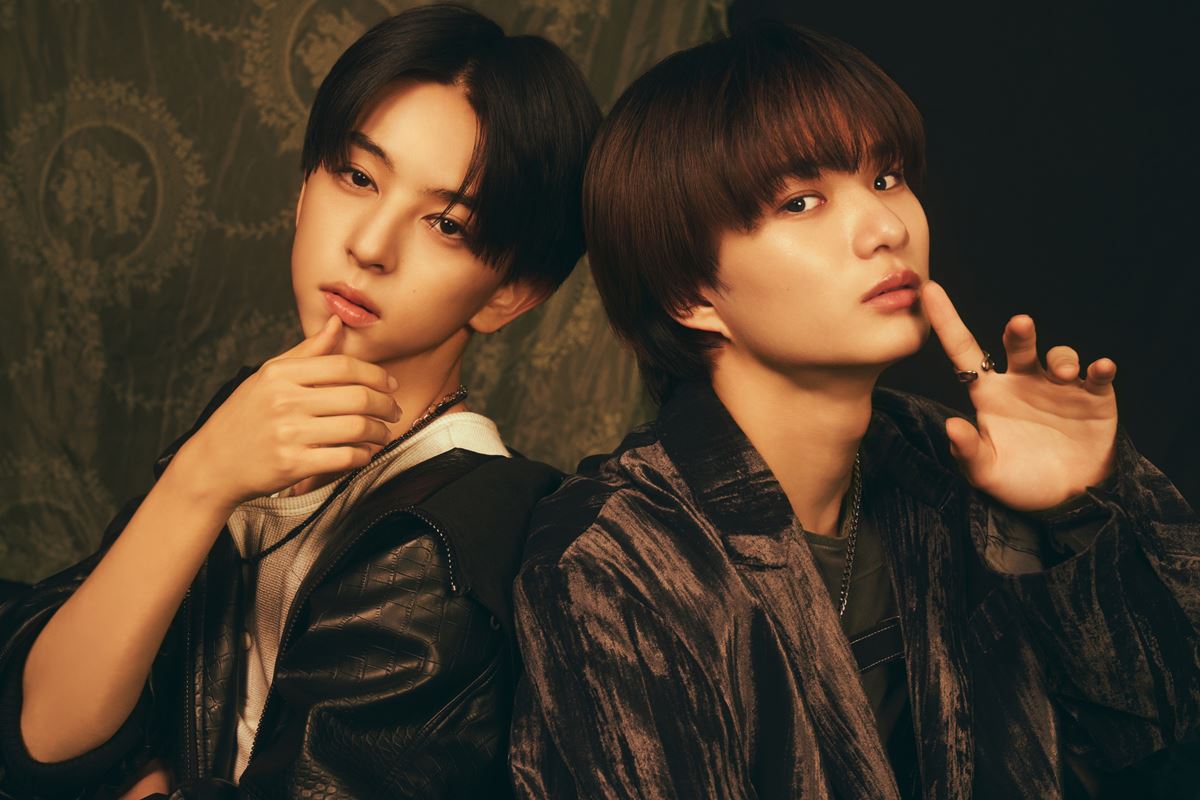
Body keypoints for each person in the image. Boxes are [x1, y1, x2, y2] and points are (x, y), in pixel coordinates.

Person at [509, 20, 1199, 800]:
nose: (888, 229)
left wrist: (1077, 516)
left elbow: (1158, 746)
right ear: (690, 293)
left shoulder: (945, 464)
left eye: (886, 178)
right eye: (801, 201)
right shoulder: (613, 562)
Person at [0, 4, 600, 798]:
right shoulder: (258, 415)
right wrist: (200, 478)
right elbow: (43, 732)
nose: (370, 245)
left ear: (510, 294)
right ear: (304, 186)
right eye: (357, 177)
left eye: (447, 223)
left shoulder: (447, 542)